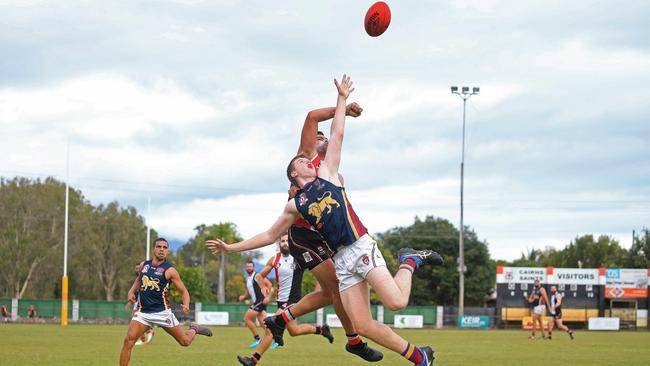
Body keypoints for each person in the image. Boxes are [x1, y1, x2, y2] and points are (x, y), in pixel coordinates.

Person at [207, 75, 442, 366]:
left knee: (396, 302)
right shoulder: (295, 204)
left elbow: (338, 133)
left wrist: (342, 98)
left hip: (359, 246)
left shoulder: (329, 173)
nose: (310, 158)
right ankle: (419, 357)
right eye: (303, 161)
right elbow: (269, 235)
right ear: (295, 173)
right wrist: (231, 248)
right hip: (341, 260)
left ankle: (409, 260)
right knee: (363, 324)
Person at [237, 234, 334, 366]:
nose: (285, 243)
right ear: (279, 244)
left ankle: (253, 360)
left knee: (270, 328)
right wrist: (262, 288)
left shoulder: (300, 257)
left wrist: (321, 289)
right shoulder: (275, 259)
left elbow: (319, 268)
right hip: (281, 301)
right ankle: (322, 330)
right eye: (282, 241)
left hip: (293, 301)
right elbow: (259, 276)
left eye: (287, 240)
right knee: (294, 331)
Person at [119, 238, 212, 366]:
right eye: (159, 247)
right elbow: (139, 280)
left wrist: (185, 304)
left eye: (165, 247)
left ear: (167, 251)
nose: (162, 249)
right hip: (143, 313)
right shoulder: (144, 265)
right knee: (128, 341)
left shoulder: (170, 270)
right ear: (153, 249)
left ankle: (194, 328)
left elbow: (184, 291)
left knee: (185, 342)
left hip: (162, 313)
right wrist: (131, 291)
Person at [240, 260, 273, 349]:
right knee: (263, 322)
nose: (248, 268)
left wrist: (268, 297)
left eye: (250, 266)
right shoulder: (248, 278)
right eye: (247, 267)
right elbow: (248, 290)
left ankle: (257, 338)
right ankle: (275, 338)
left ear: (253, 268)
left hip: (260, 300)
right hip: (257, 301)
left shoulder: (257, 276)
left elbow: (269, 284)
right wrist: (244, 296)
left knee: (247, 318)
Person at [124, 262, 155, 346]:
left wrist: (130, 302)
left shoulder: (145, 277)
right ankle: (144, 337)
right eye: (136, 268)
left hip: (142, 302)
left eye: (138, 268)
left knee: (136, 319)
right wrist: (130, 301)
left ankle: (147, 332)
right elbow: (136, 291)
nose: (137, 269)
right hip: (138, 301)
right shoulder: (138, 278)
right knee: (135, 319)